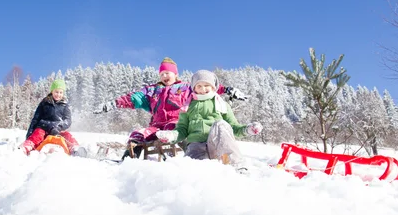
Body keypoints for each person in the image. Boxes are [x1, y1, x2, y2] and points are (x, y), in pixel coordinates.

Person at [94, 57, 249, 159]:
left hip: (176, 123)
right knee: (138, 134)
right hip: (156, 125)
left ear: (176, 74)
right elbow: (133, 98)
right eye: (162, 73)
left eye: (167, 72)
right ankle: (128, 159)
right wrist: (113, 104)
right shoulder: (152, 90)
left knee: (176, 133)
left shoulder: (185, 87)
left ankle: (183, 158)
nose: (164, 76)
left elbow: (205, 87)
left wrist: (228, 90)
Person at [156, 70, 262, 166]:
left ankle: (237, 165)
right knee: (194, 172)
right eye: (199, 86)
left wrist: (247, 129)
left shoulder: (222, 105)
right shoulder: (187, 107)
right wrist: (172, 135)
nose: (203, 89)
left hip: (217, 147)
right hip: (195, 146)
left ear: (213, 87)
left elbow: (233, 128)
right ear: (194, 88)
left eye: (207, 85)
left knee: (220, 124)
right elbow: (182, 129)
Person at [19, 79, 82, 156]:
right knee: (37, 134)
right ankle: (26, 147)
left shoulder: (65, 106)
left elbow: (68, 120)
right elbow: (36, 119)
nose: (58, 94)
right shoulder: (44, 103)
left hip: (58, 130)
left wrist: (59, 127)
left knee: (68, 136)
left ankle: (76, 149)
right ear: (52, 91)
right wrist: (29, 134)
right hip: (44, 128)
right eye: (56, 92)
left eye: (60, 92)